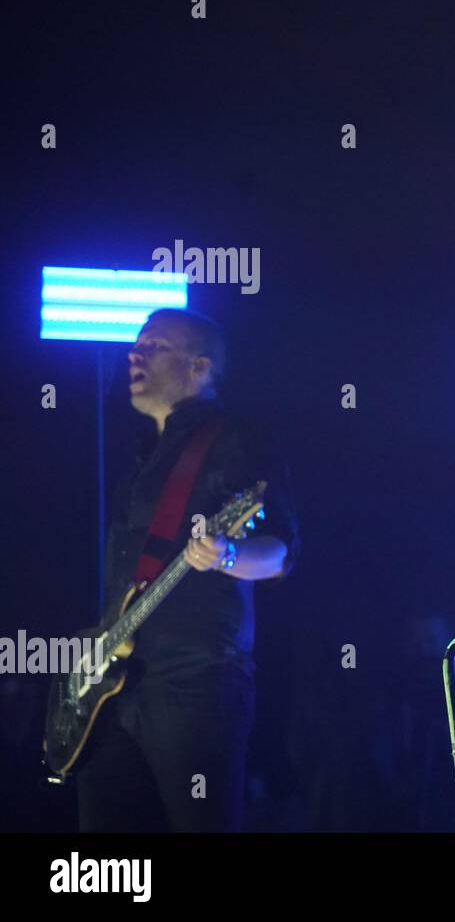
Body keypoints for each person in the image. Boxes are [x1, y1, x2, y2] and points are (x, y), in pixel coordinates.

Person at [75, 308, 300, 831]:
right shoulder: (141, 454)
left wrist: (225, 554)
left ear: (199, 367)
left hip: (195, 679)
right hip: (115, 688)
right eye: (136, 345)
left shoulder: (234, 439)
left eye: (153, 346)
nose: (135, 353)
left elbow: (282, 551)